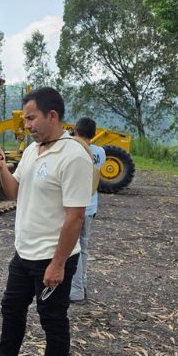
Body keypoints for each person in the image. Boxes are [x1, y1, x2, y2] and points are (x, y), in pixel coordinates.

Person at [0, 87, 93, 356]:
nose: (26, 125)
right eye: (26, 119)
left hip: (51, 256)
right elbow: (14, 193)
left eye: (31, 118)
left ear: (52, 115)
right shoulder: (31, 151)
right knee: (11, 309)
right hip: (24, 252)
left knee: (53, 321)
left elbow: (76, 216)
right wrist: (1, 167)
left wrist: (58, 264)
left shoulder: (74, 156)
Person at [69, 117, 106, 304]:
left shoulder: (73, 149)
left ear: (75, 130)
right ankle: (82, 285)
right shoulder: (101, 152)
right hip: (91, 207)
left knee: (72, 248)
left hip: (76, 206)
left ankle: (75, 292)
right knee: (83, 247)